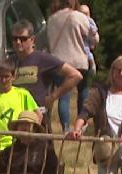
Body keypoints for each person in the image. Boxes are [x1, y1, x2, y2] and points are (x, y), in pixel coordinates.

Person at [9, 19, 81, 131]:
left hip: (38, 117)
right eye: (15, 39)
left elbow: (75, 75)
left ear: (32, 40)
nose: (18, 42)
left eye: (23, 39)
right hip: (16, 118)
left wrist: (53, 97)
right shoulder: (10, 62)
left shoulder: (43, 58)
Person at [46, 0, 91, 132]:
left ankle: (65, 127)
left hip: (59, 62)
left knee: (64, 95)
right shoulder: (80, 17)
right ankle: (81, 124)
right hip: (79, 61)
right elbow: (91, 37)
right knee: (83, 93)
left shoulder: (52, 19)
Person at [0, 59, 39, 152]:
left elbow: (37, 114)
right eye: (0, 76)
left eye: (7, 76)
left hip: (18, 145)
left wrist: (31, 135)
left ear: (13, 76)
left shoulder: (23, 94)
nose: (3, 80)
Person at [77, 4, 99, 111]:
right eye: (82, 13)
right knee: (83, 88)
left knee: (83, 87)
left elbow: (94, 32)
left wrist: (92, 33)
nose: (84, 16)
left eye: (86, 13)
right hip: (81, 48)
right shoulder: (77, 21)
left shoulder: (89, 21)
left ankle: (93, 64)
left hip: (85, 46)